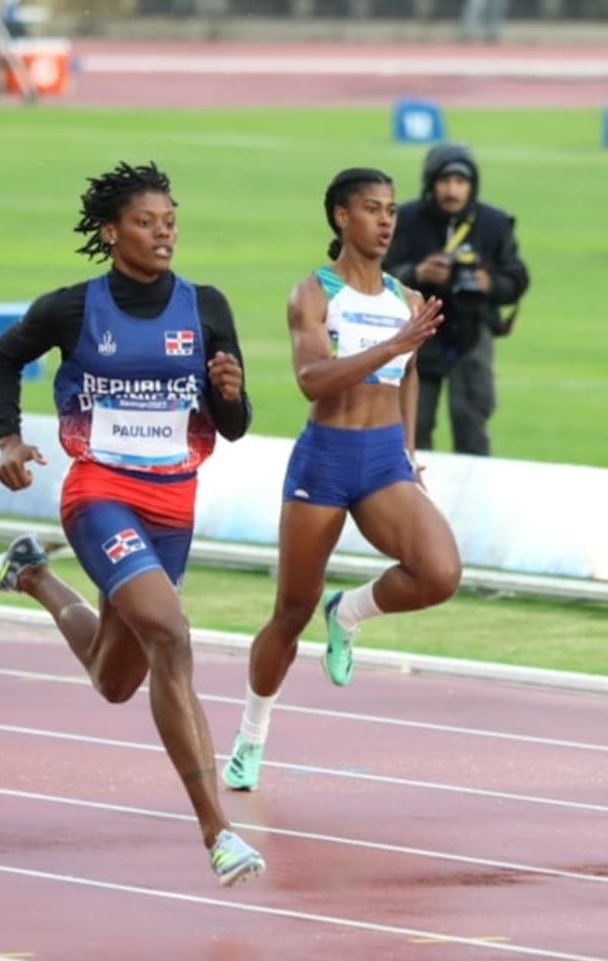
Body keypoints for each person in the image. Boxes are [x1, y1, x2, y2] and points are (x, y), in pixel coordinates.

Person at [0, 161, 266, 888]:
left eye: (169, 221)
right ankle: (218, 831)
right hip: (99, 492)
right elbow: (4, 356)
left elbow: (233, 425)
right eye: (145, 222)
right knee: (171, 633)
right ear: (111, 233)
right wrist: (7, 438)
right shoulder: (74, 309)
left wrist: (230, 395)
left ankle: (32, 574)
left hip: (173, 505)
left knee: (114, 678)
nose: (162, 232)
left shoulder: (206, 306)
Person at [222, 168, 461, 793]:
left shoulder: (406, 300)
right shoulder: (314, 293)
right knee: (288, 613)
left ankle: (348, 612)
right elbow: (312, 381)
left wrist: (408, 452)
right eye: (371, 210)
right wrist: (392, 346)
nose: (385, 221)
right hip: (325, 461)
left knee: (440, 573)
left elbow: (408, 376)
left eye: (390, 211)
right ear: (340, 218)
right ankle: (250, 735)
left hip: (383, 461)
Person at [383, 143, 529, 456]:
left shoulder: (494, 223)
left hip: (474, 331)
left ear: (472, 185)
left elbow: (517, 278)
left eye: (461, 182)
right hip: (418, 334)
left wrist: (488, 283)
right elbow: (376, 275)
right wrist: (417, 273)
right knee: (413, 425)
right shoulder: (403, 220)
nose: (452, 191)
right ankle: (410, 496)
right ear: (430, 183)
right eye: (445, 182)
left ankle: (474, 500)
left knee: (472, 425)